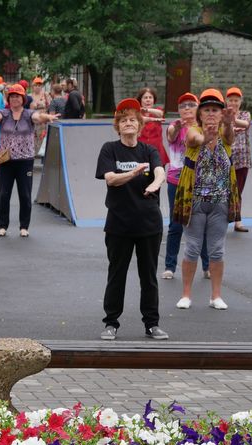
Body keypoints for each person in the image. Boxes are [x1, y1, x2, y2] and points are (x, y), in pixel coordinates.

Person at [95, 98, 168, 340]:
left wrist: (156, 183)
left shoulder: (149, 150)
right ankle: (111, 323)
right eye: (124, 120)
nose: (128, 124)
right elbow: (110, 179)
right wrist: (134, 172)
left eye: (132, 120)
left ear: (140, 125)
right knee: (117, 275)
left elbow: (159, 171)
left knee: (148, 276)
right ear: (118, 126)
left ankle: (152, 324)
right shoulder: (109, 149)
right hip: (119, 224)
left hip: (149, 224)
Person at [173, 89, 239, 311]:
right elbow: (194, 139)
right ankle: (186, 295)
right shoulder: (193, 130)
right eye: (207, 110)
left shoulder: (225, 133)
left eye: (215, 110)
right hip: (196, 202)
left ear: (221, 114)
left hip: (220, 201)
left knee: (217, 250)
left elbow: (230, 137)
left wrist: (228, 124)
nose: (211, 114)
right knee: (192, 247)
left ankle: (216, 296)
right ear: (200, 114)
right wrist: (206, 138)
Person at [0, 84, 59, 237]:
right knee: (3, 194)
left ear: (23, 99)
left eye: (17, 96)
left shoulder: (29, 114)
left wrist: (47, 117)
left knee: (25, 194)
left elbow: (38, 117)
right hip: (6, 161)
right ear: (9, 99)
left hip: (25, 161)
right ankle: (2, 226)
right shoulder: (4, 113)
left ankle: (24, 226)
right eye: (12, 96)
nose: (14, 98)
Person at [163, 92, 209, 280]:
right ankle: (170, 266)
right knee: (176, 225)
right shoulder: (176, 125)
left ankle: (207, 266)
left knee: (201, 224)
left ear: (197, 108)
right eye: (183, 106)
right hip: (177, 180)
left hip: (201, 180)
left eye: (191, 105)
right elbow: (171, 136)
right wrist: (177, 128)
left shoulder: (203, 128)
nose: (187, 108)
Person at [226, 86, 252, 233]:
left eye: (236, 100)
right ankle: (222, 218)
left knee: (237, 191)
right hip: (226, 158)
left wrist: (233, 120)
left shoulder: (245, 114)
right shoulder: (222, 115)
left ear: (240, 101)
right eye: (231, 100)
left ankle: (238, 220)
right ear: (226, 101)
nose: (233, 103)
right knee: (225, 190)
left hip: (242, 159)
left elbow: (246, 124)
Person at [136, 86, 169, 166]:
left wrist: (146, 109)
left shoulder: (158, 111)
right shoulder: (136, 113)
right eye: (145, 98)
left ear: (154, 100)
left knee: (159, 176)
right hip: (140, 151)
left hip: (157, 151)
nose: (148, 100)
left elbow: (160, 114)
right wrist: (144, 114)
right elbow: (139, 119)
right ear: (140, 100)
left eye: (150, 97)